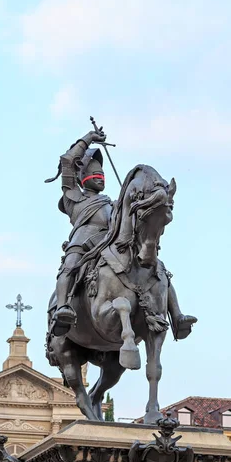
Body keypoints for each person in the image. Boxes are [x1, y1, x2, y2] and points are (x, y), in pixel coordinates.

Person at [48, 129, 196, 339]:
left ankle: (177, 317)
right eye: (95, 175)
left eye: (102, 175)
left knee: (158, 267)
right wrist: (88, 139)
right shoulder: (74, 198)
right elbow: (67, 161)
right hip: (85, 242)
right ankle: (62, 309)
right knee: (70, 264)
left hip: (114, 243)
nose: (100, 179)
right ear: (82, 179)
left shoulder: (111, 204)